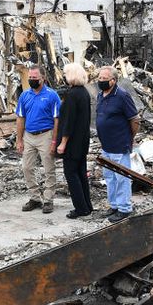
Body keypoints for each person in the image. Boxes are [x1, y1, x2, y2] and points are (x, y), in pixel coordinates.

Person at [95, 65, 139, 222]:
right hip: (106, 146)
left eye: (104, 79)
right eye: (99, 78)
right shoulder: (101, 95)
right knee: (110, 177)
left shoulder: (122, 96)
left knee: (122, 178)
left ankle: (124, 208)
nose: (100, 81)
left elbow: (134, 120)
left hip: (119, 145)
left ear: (113, 81)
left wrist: (128, 138)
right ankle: (114, 206)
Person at [15, 65, 61, 214]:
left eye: (35, 78)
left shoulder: (52, 95)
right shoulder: (24, 96)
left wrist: (54, 141)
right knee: (27, 167)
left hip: (46, 135)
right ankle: (35, 197)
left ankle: (48, 199)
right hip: (29, 135)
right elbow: (20, 118)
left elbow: (56, 120)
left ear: (43, 78)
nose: (32, 80)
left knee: (49, 168)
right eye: (30, 77)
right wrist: (19, 139)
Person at [56, 62, 93, 219]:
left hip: (72, 143)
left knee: (71, 174)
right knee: (80, 174)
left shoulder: (72, 95)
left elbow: (69, 122)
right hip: (82, 141)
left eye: (65, 74)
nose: (64, 77)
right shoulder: (83, 92)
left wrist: (63, 143)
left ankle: (80, 208)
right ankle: (87, 206)